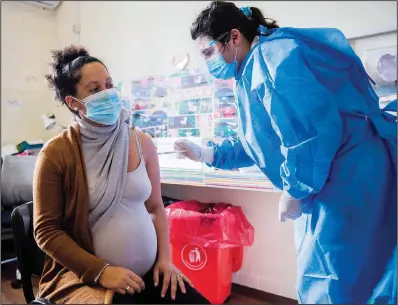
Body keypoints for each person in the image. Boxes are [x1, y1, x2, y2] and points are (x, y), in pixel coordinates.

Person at [174, 1, 397, 304]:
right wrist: (206, 154)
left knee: (337, 280)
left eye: (209, 52)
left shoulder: (270, 58)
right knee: (351, 274)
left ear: (235, 36)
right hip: (335, 174)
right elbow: (261, 141)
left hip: (345, 176)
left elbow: (311, 133)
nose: (208, 63)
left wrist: (295, 188)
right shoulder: (252, 67)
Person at [34, 45, 210, 304]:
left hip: (152, 273)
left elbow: (156, 207)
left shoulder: (142, 142)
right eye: (94, 90)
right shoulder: (56, 153)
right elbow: (46, 231)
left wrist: (165, 259)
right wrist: (101, 272)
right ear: (73, 103)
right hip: (93, 278)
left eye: (109, 84)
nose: (107, 94)